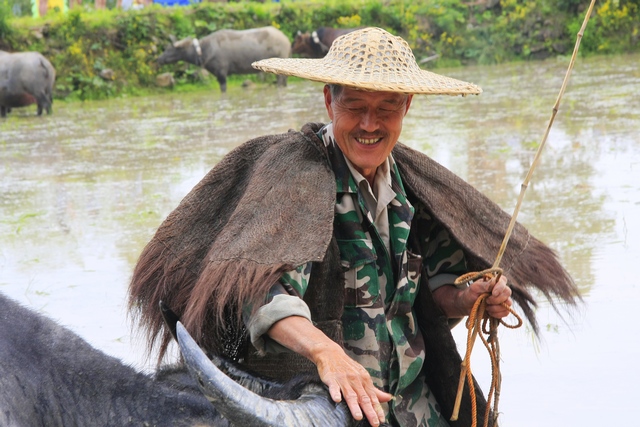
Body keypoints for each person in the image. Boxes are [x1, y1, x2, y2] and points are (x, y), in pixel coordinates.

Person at [129, 27, 578, 427]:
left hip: (416, 408)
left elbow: (436, 295)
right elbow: (262, 294)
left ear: (407, 106)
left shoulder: (411, 185)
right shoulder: (297, 175)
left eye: (386, 108)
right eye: (356, 106)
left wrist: (472, 296)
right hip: (329, 409)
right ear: (329, 100)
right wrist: (327, 355)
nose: (370, 124)